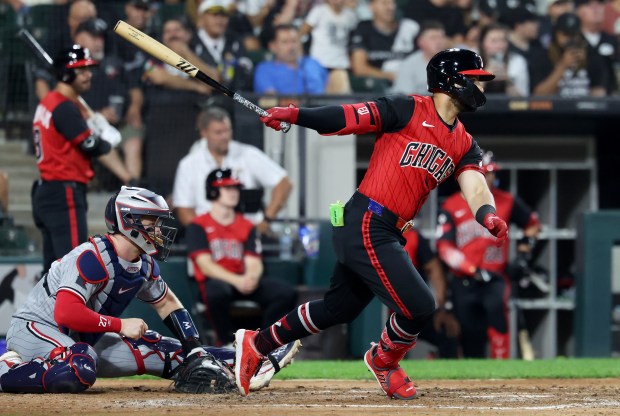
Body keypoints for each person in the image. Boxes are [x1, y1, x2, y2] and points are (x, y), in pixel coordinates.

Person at [233, 48, 508, 399]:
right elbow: (347, 117)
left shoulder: (464, 141)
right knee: (420, 305)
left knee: (338, 308)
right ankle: (384, 361)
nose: (481, 88)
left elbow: (475, 185)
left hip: (388, 231)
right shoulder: (408, 108)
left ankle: (257, 342)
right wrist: (296, 114)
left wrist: (488, 215)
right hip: (367, 220)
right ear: (452, 81)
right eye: (475, 80)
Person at [0, 186, 300, 394]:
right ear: (128, 222)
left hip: (82, 337)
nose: (158, 230)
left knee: (173, 354)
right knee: (80, 366)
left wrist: (193, 347)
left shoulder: (142, 264)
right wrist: (119, 325)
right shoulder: (91, 258)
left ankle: (255, 353)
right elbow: (65, 312)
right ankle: (9, 368)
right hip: (36, 327)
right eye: (152, 222)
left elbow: (168, 303)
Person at [435, 151, 540, 359]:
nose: (488, 178)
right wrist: (471, 270)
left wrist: (523, 251)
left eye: (491, 173)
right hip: (464, 279)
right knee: (469, 331)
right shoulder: (451, 205)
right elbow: (444, 248)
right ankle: (476, 377)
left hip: (495, 276)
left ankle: (501, 369)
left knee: (498, 317)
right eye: (484, 173)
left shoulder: (506, 201)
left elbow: (532, 225)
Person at [31, 45, 123, 274]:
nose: (88, 74)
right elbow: (89, 145)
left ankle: (47, 311)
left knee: (53, 272)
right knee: (72, 269)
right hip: (64, 192)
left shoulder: (52, 102)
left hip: (49, 191)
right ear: (66, 73)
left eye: (88, 69)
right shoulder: (64, 107)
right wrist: (107, 141)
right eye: (81, 70)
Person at [186, 168, 298, 346]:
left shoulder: (246, 225)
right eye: (227, 188)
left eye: (235, 188)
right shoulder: (198, 225)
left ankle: (265, 343)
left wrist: (251, 277)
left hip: (242, 280)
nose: (233, 192)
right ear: (213, 191)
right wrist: (237, 280)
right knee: (217, 292)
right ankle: (224, 343)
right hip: (218, 281)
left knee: (284, 292)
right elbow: (205, 265)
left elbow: (254, 261)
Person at [172, 107, 292, 234]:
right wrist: (203, 236)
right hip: (208, 238)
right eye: (218, 132)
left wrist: (266, 220)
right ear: (204, 133)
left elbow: (284, 182)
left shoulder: (248, 154)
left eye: (227, 130)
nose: (224, 136)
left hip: (247, 235)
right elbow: (183, 208)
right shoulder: (189, 164)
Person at [403, 228, 460, 359]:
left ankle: (447, 376)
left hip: (416, 311)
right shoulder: (372, 233)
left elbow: (434, 269)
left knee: (446, 330)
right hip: (390, 310)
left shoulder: (412, 236)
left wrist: (442, 309)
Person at [349, 0, 419, 87]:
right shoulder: (363, 29)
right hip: (377, 89)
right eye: (384, 3)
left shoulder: (409, 28)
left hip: (413, 87)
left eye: (392, 3)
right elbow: (359, 68)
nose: (390, 7)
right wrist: (390, 76)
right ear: (372, 7)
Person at [254, 24, 328, 95]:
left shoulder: (313, 63)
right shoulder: (265, 69)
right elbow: (271, 99)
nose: (291, 47)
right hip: (287, 107)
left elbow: (331, 91)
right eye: (285, 42)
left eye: (294, 41)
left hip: (320, 106)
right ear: (273, 46)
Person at [391, 20, 448, 95]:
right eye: (433, 38)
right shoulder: (408, 65)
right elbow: (405, 99)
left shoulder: (454, 63)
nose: (439, 41)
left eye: (441, 37)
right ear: (421, 42)